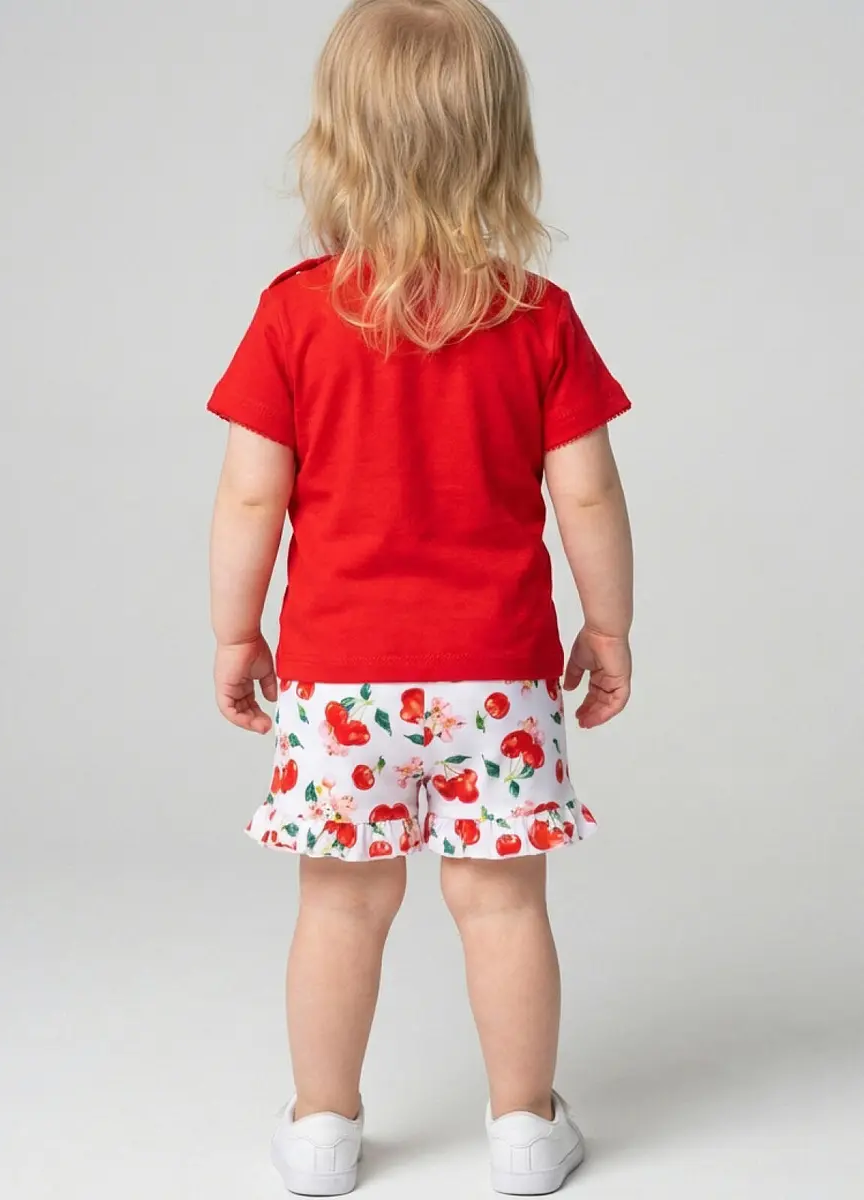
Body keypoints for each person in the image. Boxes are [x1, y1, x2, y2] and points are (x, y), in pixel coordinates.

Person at [207, 1, 633, 1193]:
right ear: (501, 146)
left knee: (340, 907)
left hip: (340, 682)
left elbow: (250, 497)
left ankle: (321, 1130)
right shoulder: (537, 318)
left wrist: (237, 631)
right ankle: (524, 1130)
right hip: (496, 680)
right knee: (502, 907)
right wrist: (607, 626)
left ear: (335, 144)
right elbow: (588, 495)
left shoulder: (293, 315)